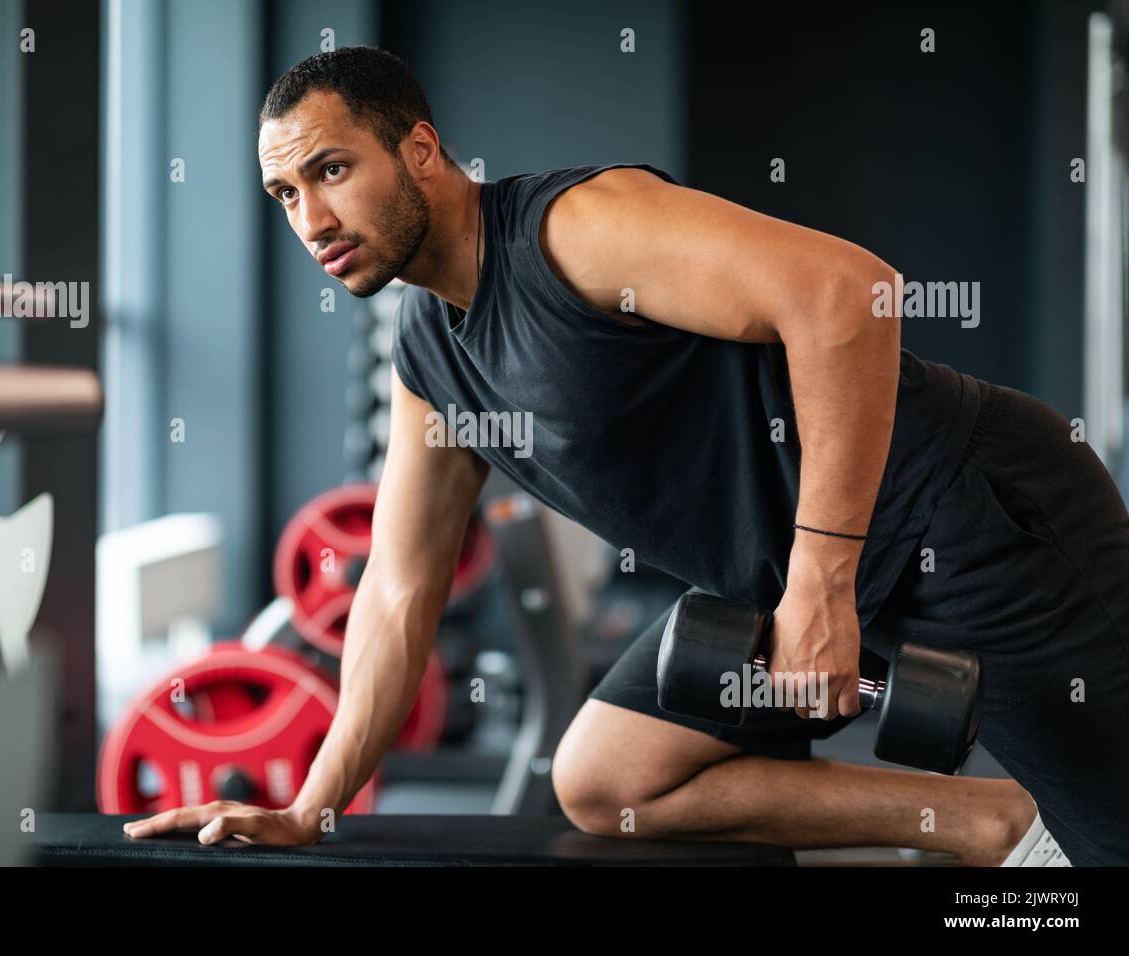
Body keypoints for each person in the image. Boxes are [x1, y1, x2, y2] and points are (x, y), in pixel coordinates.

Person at [125, 45, 1129, 865]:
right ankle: (984, 821)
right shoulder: (431, 352)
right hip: (809, 582)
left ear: (420, 150)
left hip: (971, 509)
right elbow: (395, 586)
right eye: (284, 193)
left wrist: (818, 583)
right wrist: (312, 805)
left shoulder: (573, 229)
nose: (310, 219)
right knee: (609, 778)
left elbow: (846, 295)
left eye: (331, 170)